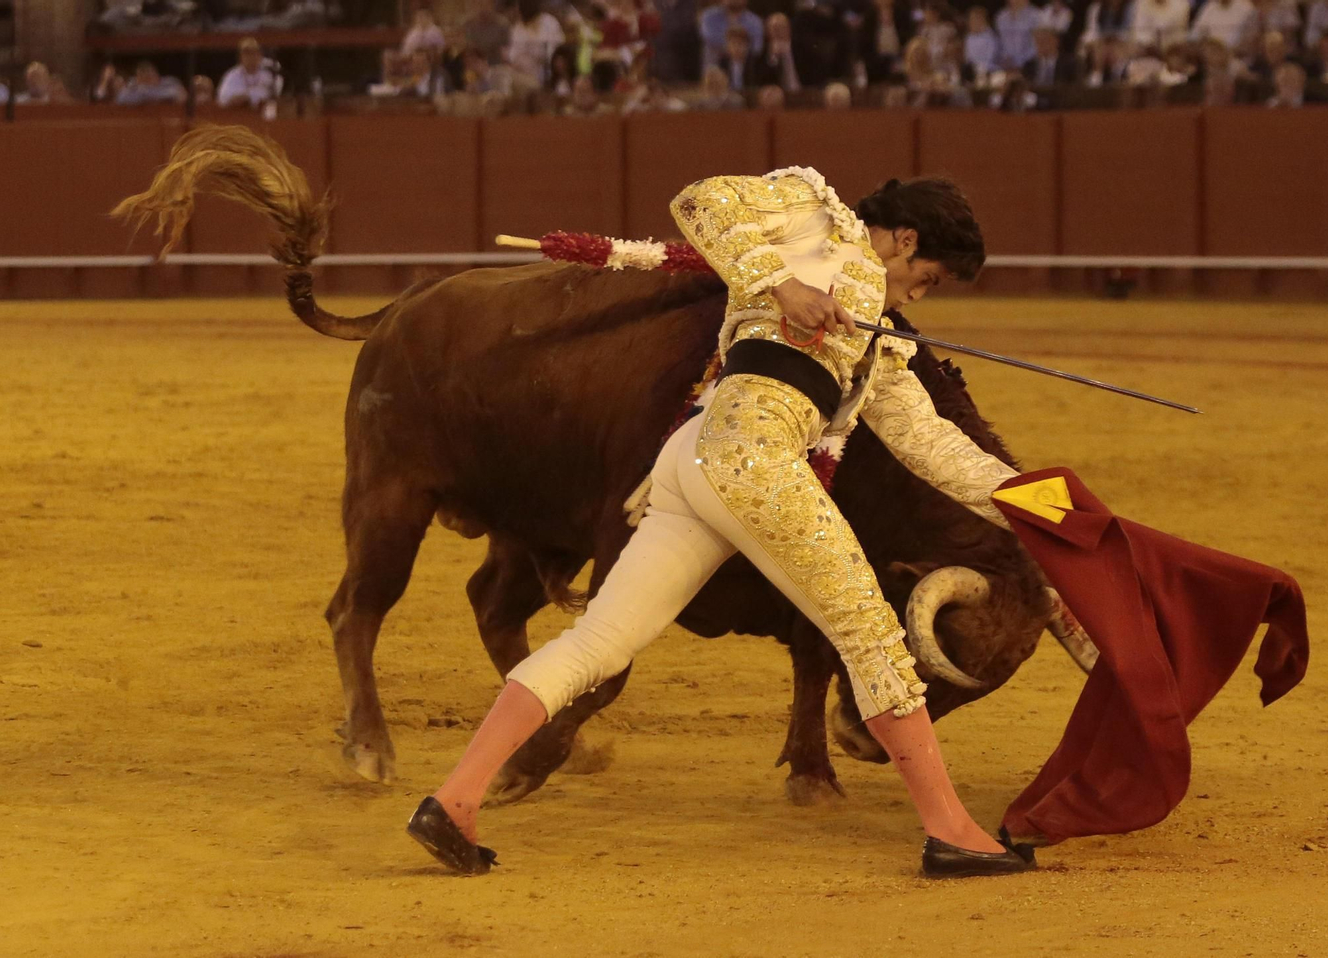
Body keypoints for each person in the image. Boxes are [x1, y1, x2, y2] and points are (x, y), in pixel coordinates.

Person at [407, 169, 1041, 880]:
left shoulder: (878, 341)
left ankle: (454, 802)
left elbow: (931, 445)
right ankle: (950, 831)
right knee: (872, 637)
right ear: (906, 239)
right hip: (751, 456)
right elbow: (700, 201)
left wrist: (1040, 504)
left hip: (701, 461)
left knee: (598, 642)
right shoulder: (809, 221)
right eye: (928, 278)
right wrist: (781, 285)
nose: (921, 295)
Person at [216, 37, 281, 108]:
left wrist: (250, 97)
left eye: (254, 53)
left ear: (260, 55)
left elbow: (276, 93)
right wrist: (238, 99)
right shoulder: (232, 75)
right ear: (240, 57)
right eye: (247, 53)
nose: (251, 57)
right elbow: (222, 99)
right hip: (239, 112)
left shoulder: (270, 71)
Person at [116, 60, 188, 105]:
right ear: (138, 78)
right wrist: (141, 90)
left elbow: (181, 95)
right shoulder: (133, 84)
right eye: (143, 78)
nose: (148, 80)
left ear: (156, 74)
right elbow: (121, 99)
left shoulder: (170, 81)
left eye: (150, 76)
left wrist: (147, 93)